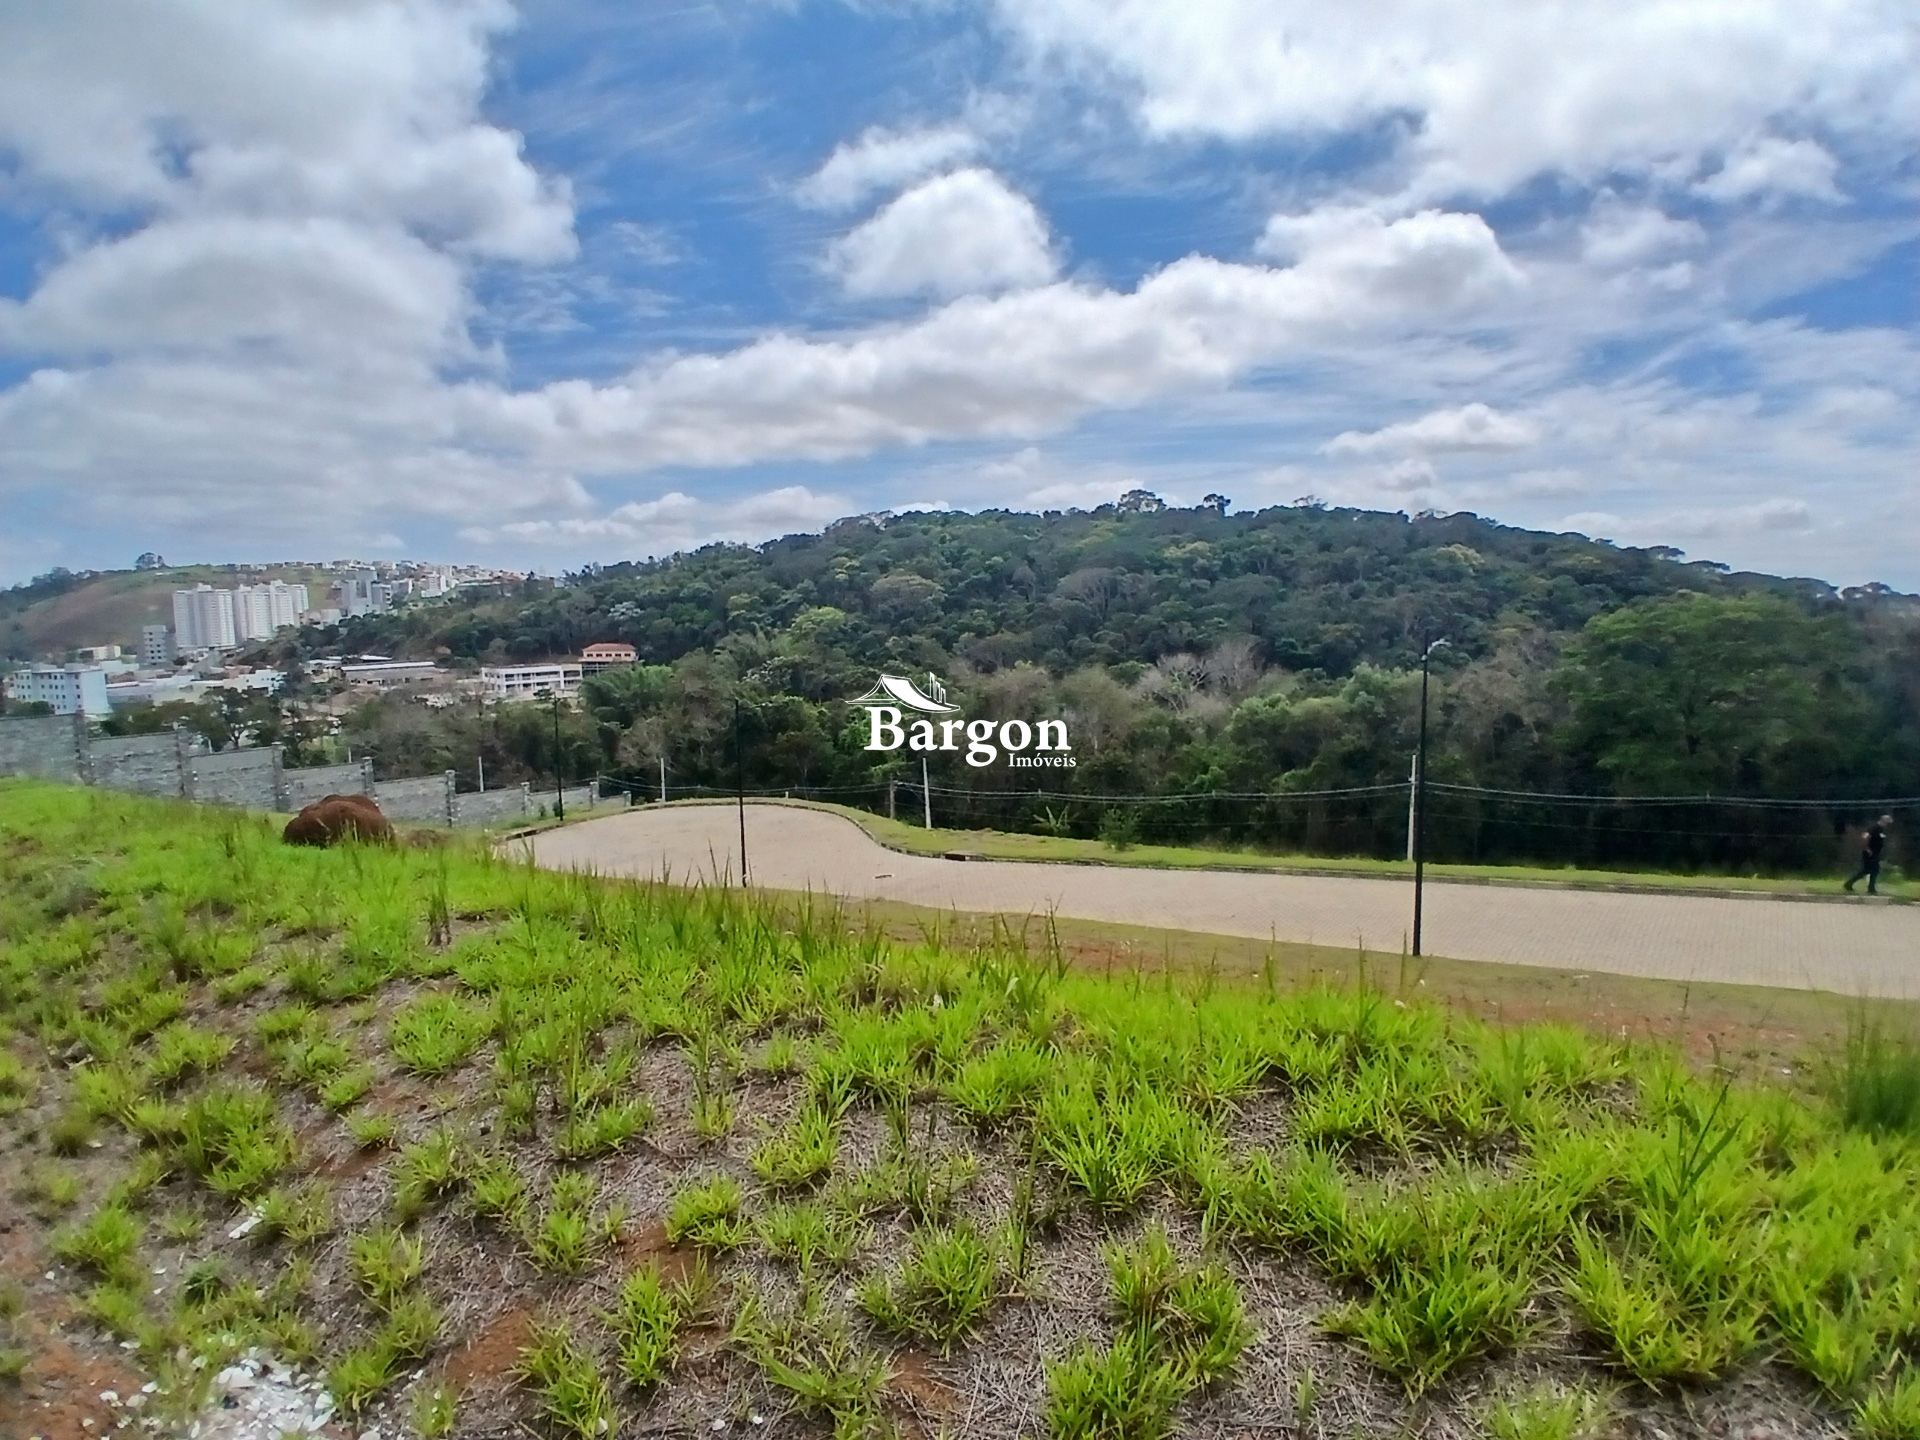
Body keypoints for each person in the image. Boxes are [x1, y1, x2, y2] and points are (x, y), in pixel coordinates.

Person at [1845, 815, 1894, 895]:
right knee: (1873, 870)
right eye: (1887, 823)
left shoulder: (1881, 829)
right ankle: (1871, 889)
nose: (1888, 826)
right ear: (1883, 821)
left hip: (1875, 853)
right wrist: (1867, 849)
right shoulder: (1874, 828)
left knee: (1868, 871)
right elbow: (1864, 837)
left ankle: (1850, 884)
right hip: (1869, 853)